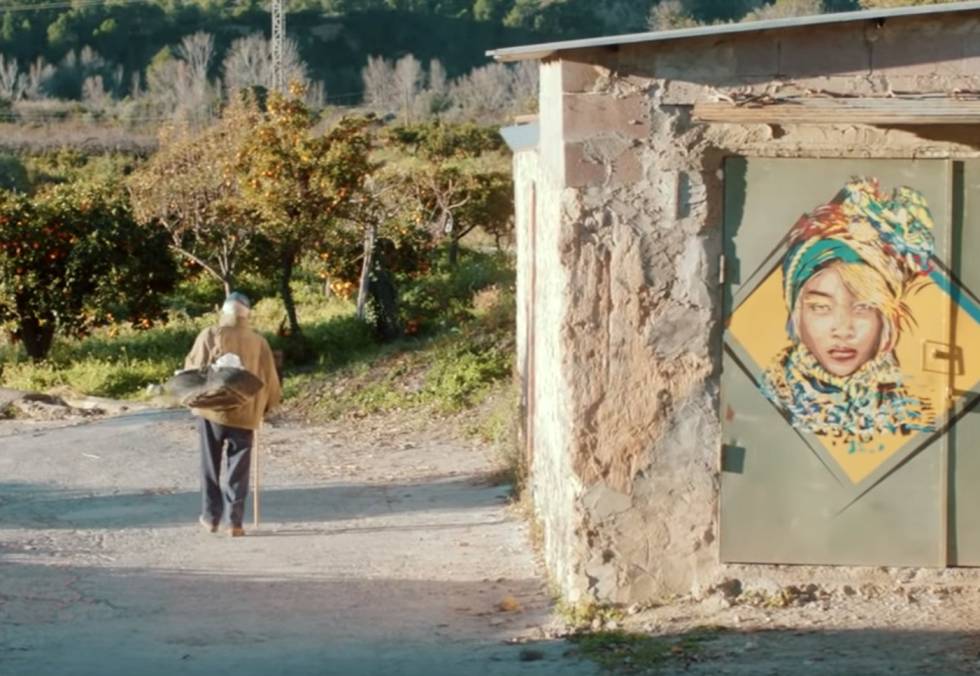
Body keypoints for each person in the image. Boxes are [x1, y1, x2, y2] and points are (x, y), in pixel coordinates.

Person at [761, 178, 936, 443]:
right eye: (821, 307)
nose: (843, 329)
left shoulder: (914, 413)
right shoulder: (770, 396)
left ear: (885, 319)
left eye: (863, 307)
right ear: (797, 315)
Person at [184, 292, 281, 536]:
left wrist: (190, 399)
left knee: (210, 464)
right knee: (239, 468)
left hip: (212, 412)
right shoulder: (259, 342)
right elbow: (270, 380)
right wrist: (265, 408)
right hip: (245, 413)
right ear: (247, 315)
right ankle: (234, 522)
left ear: (224, 312)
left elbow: (192, 368)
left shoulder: (209, 334)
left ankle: (210, 516)